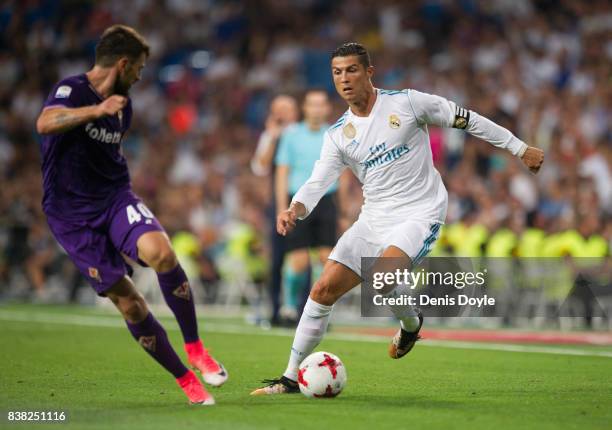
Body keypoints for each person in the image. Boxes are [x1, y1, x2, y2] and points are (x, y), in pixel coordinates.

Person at [250, 42, 544, 395]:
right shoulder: (339, 134)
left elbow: (467, 118)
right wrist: (294, 208)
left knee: (382, 276)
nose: (344, 79)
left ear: (369, 73)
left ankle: (410, 323)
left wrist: (519, 147)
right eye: (337, 72)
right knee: (322, 289)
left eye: (352, 70)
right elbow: (317, 181)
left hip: (420, 213)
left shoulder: (406, 103)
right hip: (373, 217)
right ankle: (289, 377)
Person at [36, 25, 226, 405]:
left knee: (163, 253)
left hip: (114, 198)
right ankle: (186, 380)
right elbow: (44, 123)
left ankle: (196, 348)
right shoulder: (72, 90)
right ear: (122, 63)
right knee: (131, 303)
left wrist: (107, 110)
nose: (139, 76)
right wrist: (94, 110)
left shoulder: (125, 105)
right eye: (137, 68)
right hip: (71, 216)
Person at [274, 90, 340, 323]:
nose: (317, 109)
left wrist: (345, 208)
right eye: (312, 104)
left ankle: (319, 310)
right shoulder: (292, 135)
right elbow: (282, 170)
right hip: (297, 200)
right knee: (299, 259)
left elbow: (346, 172)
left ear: (327, 108)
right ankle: (289, 307)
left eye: (321, 104)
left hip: (327, 199)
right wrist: (282, 207)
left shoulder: (334, 133)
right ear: (305, 108)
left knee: (327, 258)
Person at [251, 95, 299, 325]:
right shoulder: (270, 136)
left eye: (286, 109)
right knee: (277, 258)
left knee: (303, 257)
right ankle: (275, 309)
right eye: (277, 109)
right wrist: (272, 135)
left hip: (302, 201)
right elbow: (260, 167)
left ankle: (302, 310)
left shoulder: (302, 133)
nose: (282, 113)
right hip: (278, 202)